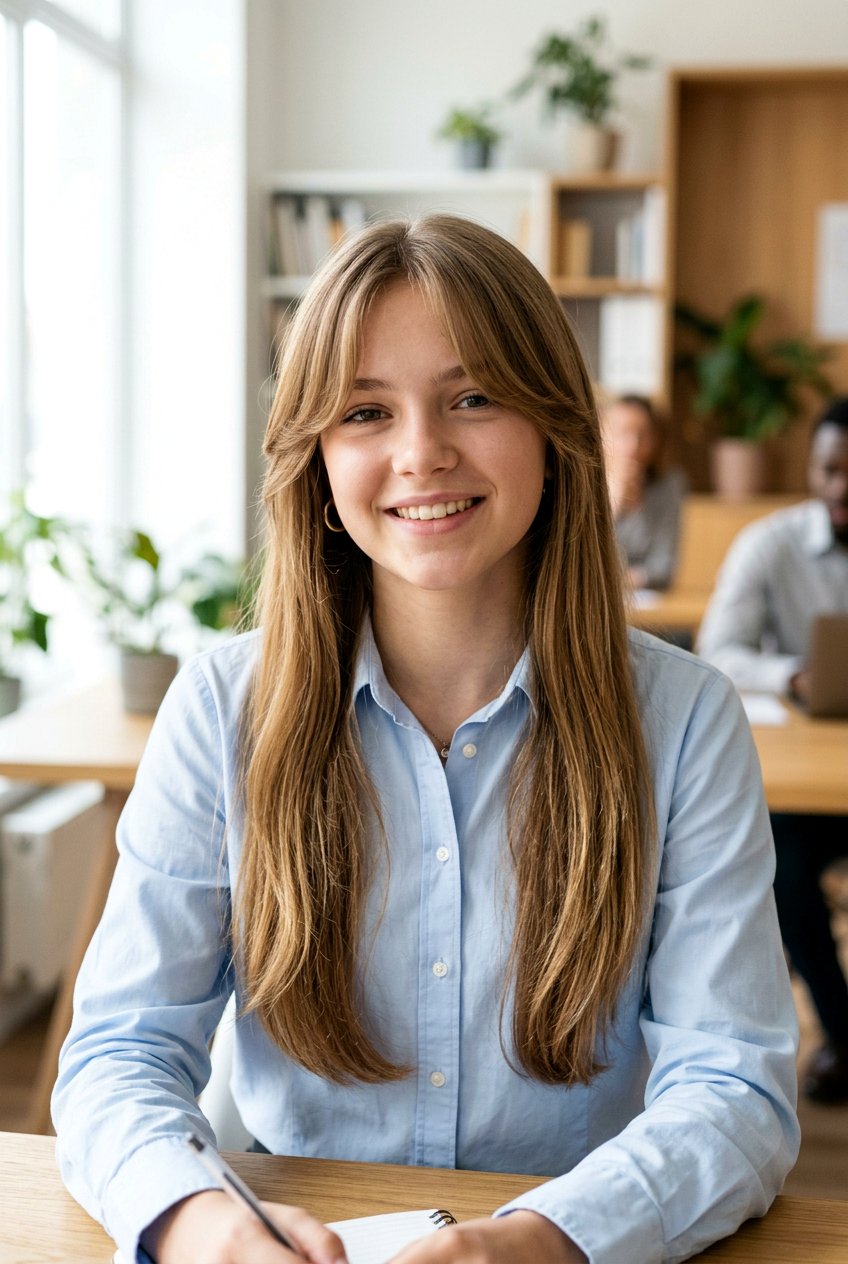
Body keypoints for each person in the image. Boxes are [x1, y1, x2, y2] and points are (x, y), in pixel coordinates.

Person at [53, 215, 799, 1264]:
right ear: (314, 455)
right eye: (365, 410)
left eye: (472, 396)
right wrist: (201, 1224)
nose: (420, 453)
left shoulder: (681, 720)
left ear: (554, 426)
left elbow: (733, 1086)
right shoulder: (223, 705)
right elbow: (118, 1055)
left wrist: (537, 1241)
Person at [698, 397, 848, 1103]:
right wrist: (791, 674)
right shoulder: (770, 542)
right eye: (831, 469)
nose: (843, 486)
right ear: (812, 471)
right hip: (812, 788)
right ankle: (844, 1035)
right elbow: (716, 650)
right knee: (784, 871)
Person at [599, 394, 686, 592]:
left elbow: (663, 570)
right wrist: (614, 501)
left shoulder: (668, 487)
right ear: (601, 436)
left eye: (642, 435)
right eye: (622, 433)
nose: (633, 446)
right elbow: (581, 562)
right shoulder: (581, 485)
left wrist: (612, 580)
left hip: (652, 607)